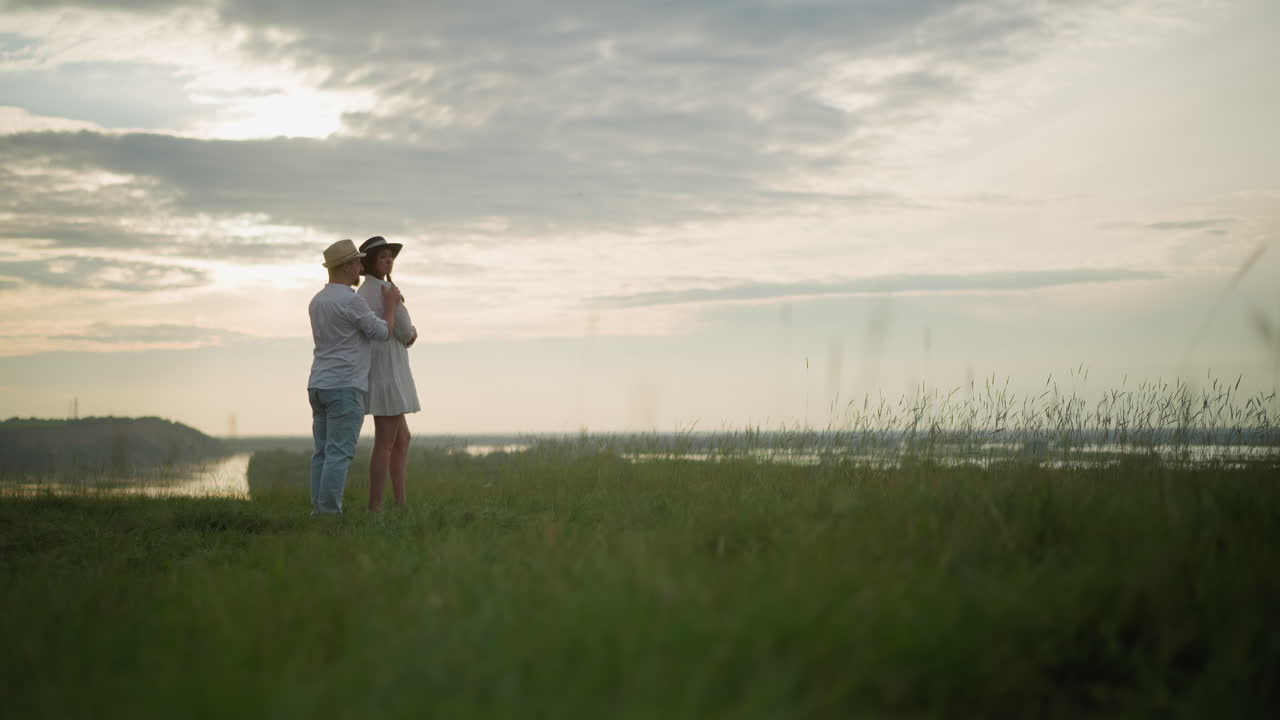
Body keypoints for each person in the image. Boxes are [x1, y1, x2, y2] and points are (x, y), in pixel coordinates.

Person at [307, 238, 402, 515]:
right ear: (347, 266)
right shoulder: (350, 300)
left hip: (318, 383)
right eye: (358, 262)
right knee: (339, 454)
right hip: (345, 386)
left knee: (322, 453)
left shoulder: (318, 300)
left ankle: (319, 508)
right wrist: (391, 306)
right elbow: (383, 333)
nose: (361, 267)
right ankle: (328, 514)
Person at [357, 235, 421, 511]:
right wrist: (413, 332)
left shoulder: (364, 292)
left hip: (382, 370)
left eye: (390, 256)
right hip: (389, 373)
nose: (389, 260)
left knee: (401, 438)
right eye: (382, 256)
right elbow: (406, 333)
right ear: (371, 262)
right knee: (385, 442)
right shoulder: (385, 290)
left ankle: (399, 501)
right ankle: (376, 506)